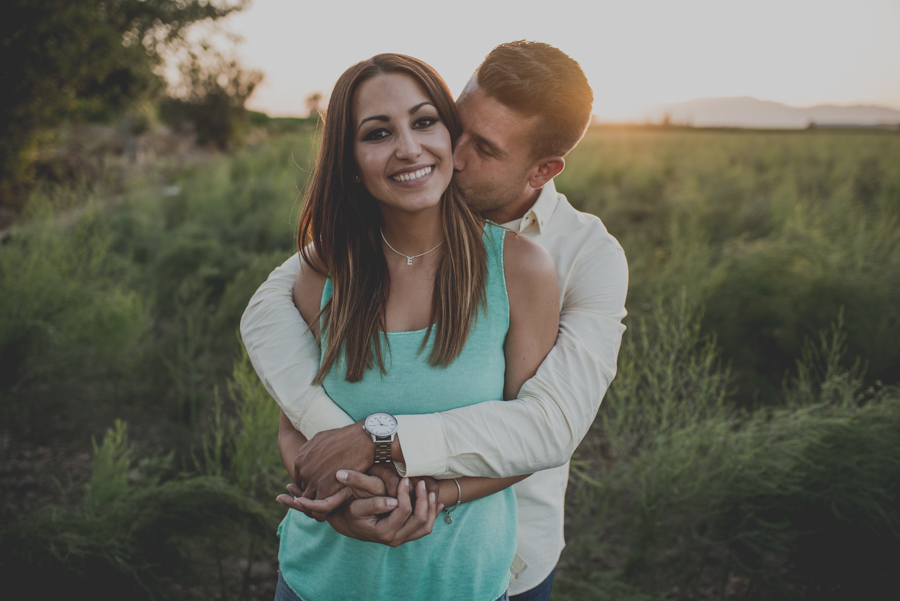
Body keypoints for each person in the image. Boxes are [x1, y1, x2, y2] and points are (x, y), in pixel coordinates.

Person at [241, 41, 628, 601]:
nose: (448, 152)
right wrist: (338, 489)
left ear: (542, 170)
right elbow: (275, 317)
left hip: (499, 561)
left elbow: (548, 427)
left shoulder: (575, 258)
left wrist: (385, 453)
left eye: (486, 148)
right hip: (328, 570)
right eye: (454, 125)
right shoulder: (341, 256)